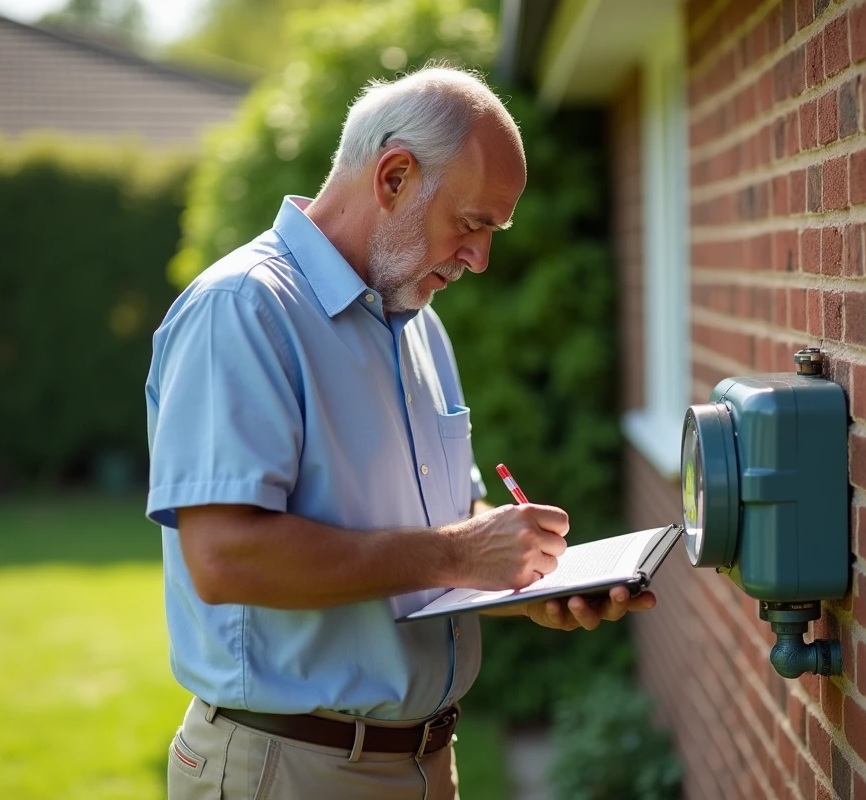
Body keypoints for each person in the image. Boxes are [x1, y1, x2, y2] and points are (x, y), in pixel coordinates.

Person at [145, 65, 656, 800]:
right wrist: (461, 553)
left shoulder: (418, 324)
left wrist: (523, 575)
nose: (480, 259)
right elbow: (225, 557)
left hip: (424, 764)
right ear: (394, 177)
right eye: (471, 224)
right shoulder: (242, 310)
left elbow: (450, 521)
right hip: (288, 770)